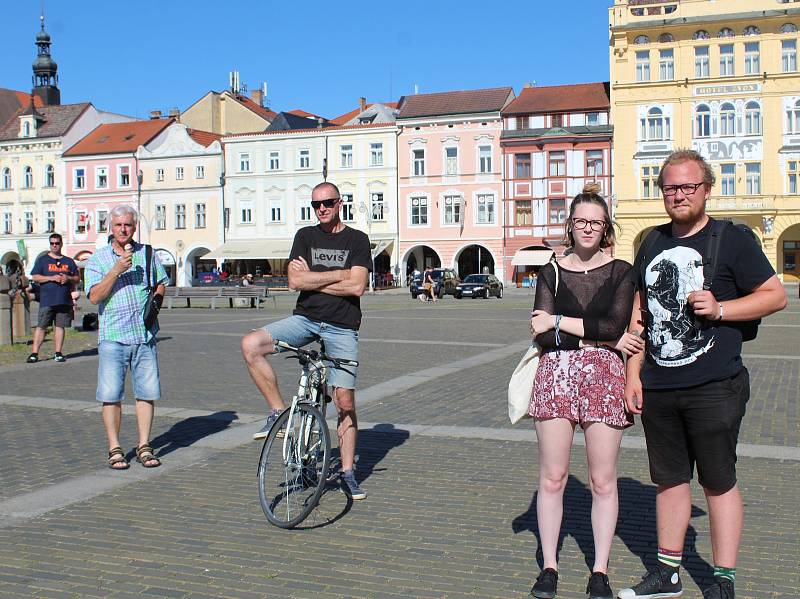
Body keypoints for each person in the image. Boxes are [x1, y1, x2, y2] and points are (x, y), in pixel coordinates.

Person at [618, 150, 787, 599]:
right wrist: (633, 375)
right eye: (670, 188)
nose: (678, 195)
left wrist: (721, 308)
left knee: (718, 481)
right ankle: (668, 574)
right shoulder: (651, 242)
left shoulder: (732, 239)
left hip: (714, 385)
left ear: (706, 188)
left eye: (688, 186)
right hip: (659, 384)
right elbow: (642, 312)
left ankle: (724, 578)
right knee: (669, 481)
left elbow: (774, 296)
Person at [528, 182, 645, 599]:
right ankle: (550, 566)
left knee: (602, 480)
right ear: (570, 226)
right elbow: (541, 337)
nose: (588, 228)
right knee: (554, 477)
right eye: (581, 221)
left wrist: (560, 323)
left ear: (606, 227)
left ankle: (599, 570)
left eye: (596, 222)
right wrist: (595, 339)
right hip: (555, 376)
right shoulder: (551, 270)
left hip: (604, 379)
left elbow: (614, 326)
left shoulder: (621, 272)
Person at [241, 182, 371, 499]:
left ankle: (348, 472)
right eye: (316, 204)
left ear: (340, 203)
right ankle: (277, 412)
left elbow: (357, 288)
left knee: (344, 401)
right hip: (305, 320)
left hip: (342, 326)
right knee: (251, 344)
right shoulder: (305, 236)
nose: (321, 208)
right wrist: (339, 274)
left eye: (327, 202)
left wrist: (315, 277)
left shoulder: (357, 239)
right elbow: (294, 281)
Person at [85, 205, 168, 471]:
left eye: (128, 225)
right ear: (111, 227)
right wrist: (116, 270)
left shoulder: (148, 253)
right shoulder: (98, 259)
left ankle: (144, 445)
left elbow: (161, 282)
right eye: (119, 225)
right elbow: (95, 297)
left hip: (143, 335)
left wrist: (155, 303)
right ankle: (115, 448)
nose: (123, 230)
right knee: (111, 395)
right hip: (113, 337)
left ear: (134, 227)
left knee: (146, 393)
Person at [26, 233, 80, 363]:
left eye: (57, 243)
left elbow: (77, 278)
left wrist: (68, 278)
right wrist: (51, 278)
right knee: (41, 326)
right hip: (47, 299)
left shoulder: (69, 261)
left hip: (63, 300)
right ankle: (34, 353)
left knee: (60, 326)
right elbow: (35, 276)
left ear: (61, 244)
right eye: (52, 243)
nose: (54, 246)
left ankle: (58, 352)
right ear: (50, 244)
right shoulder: (43, 260)